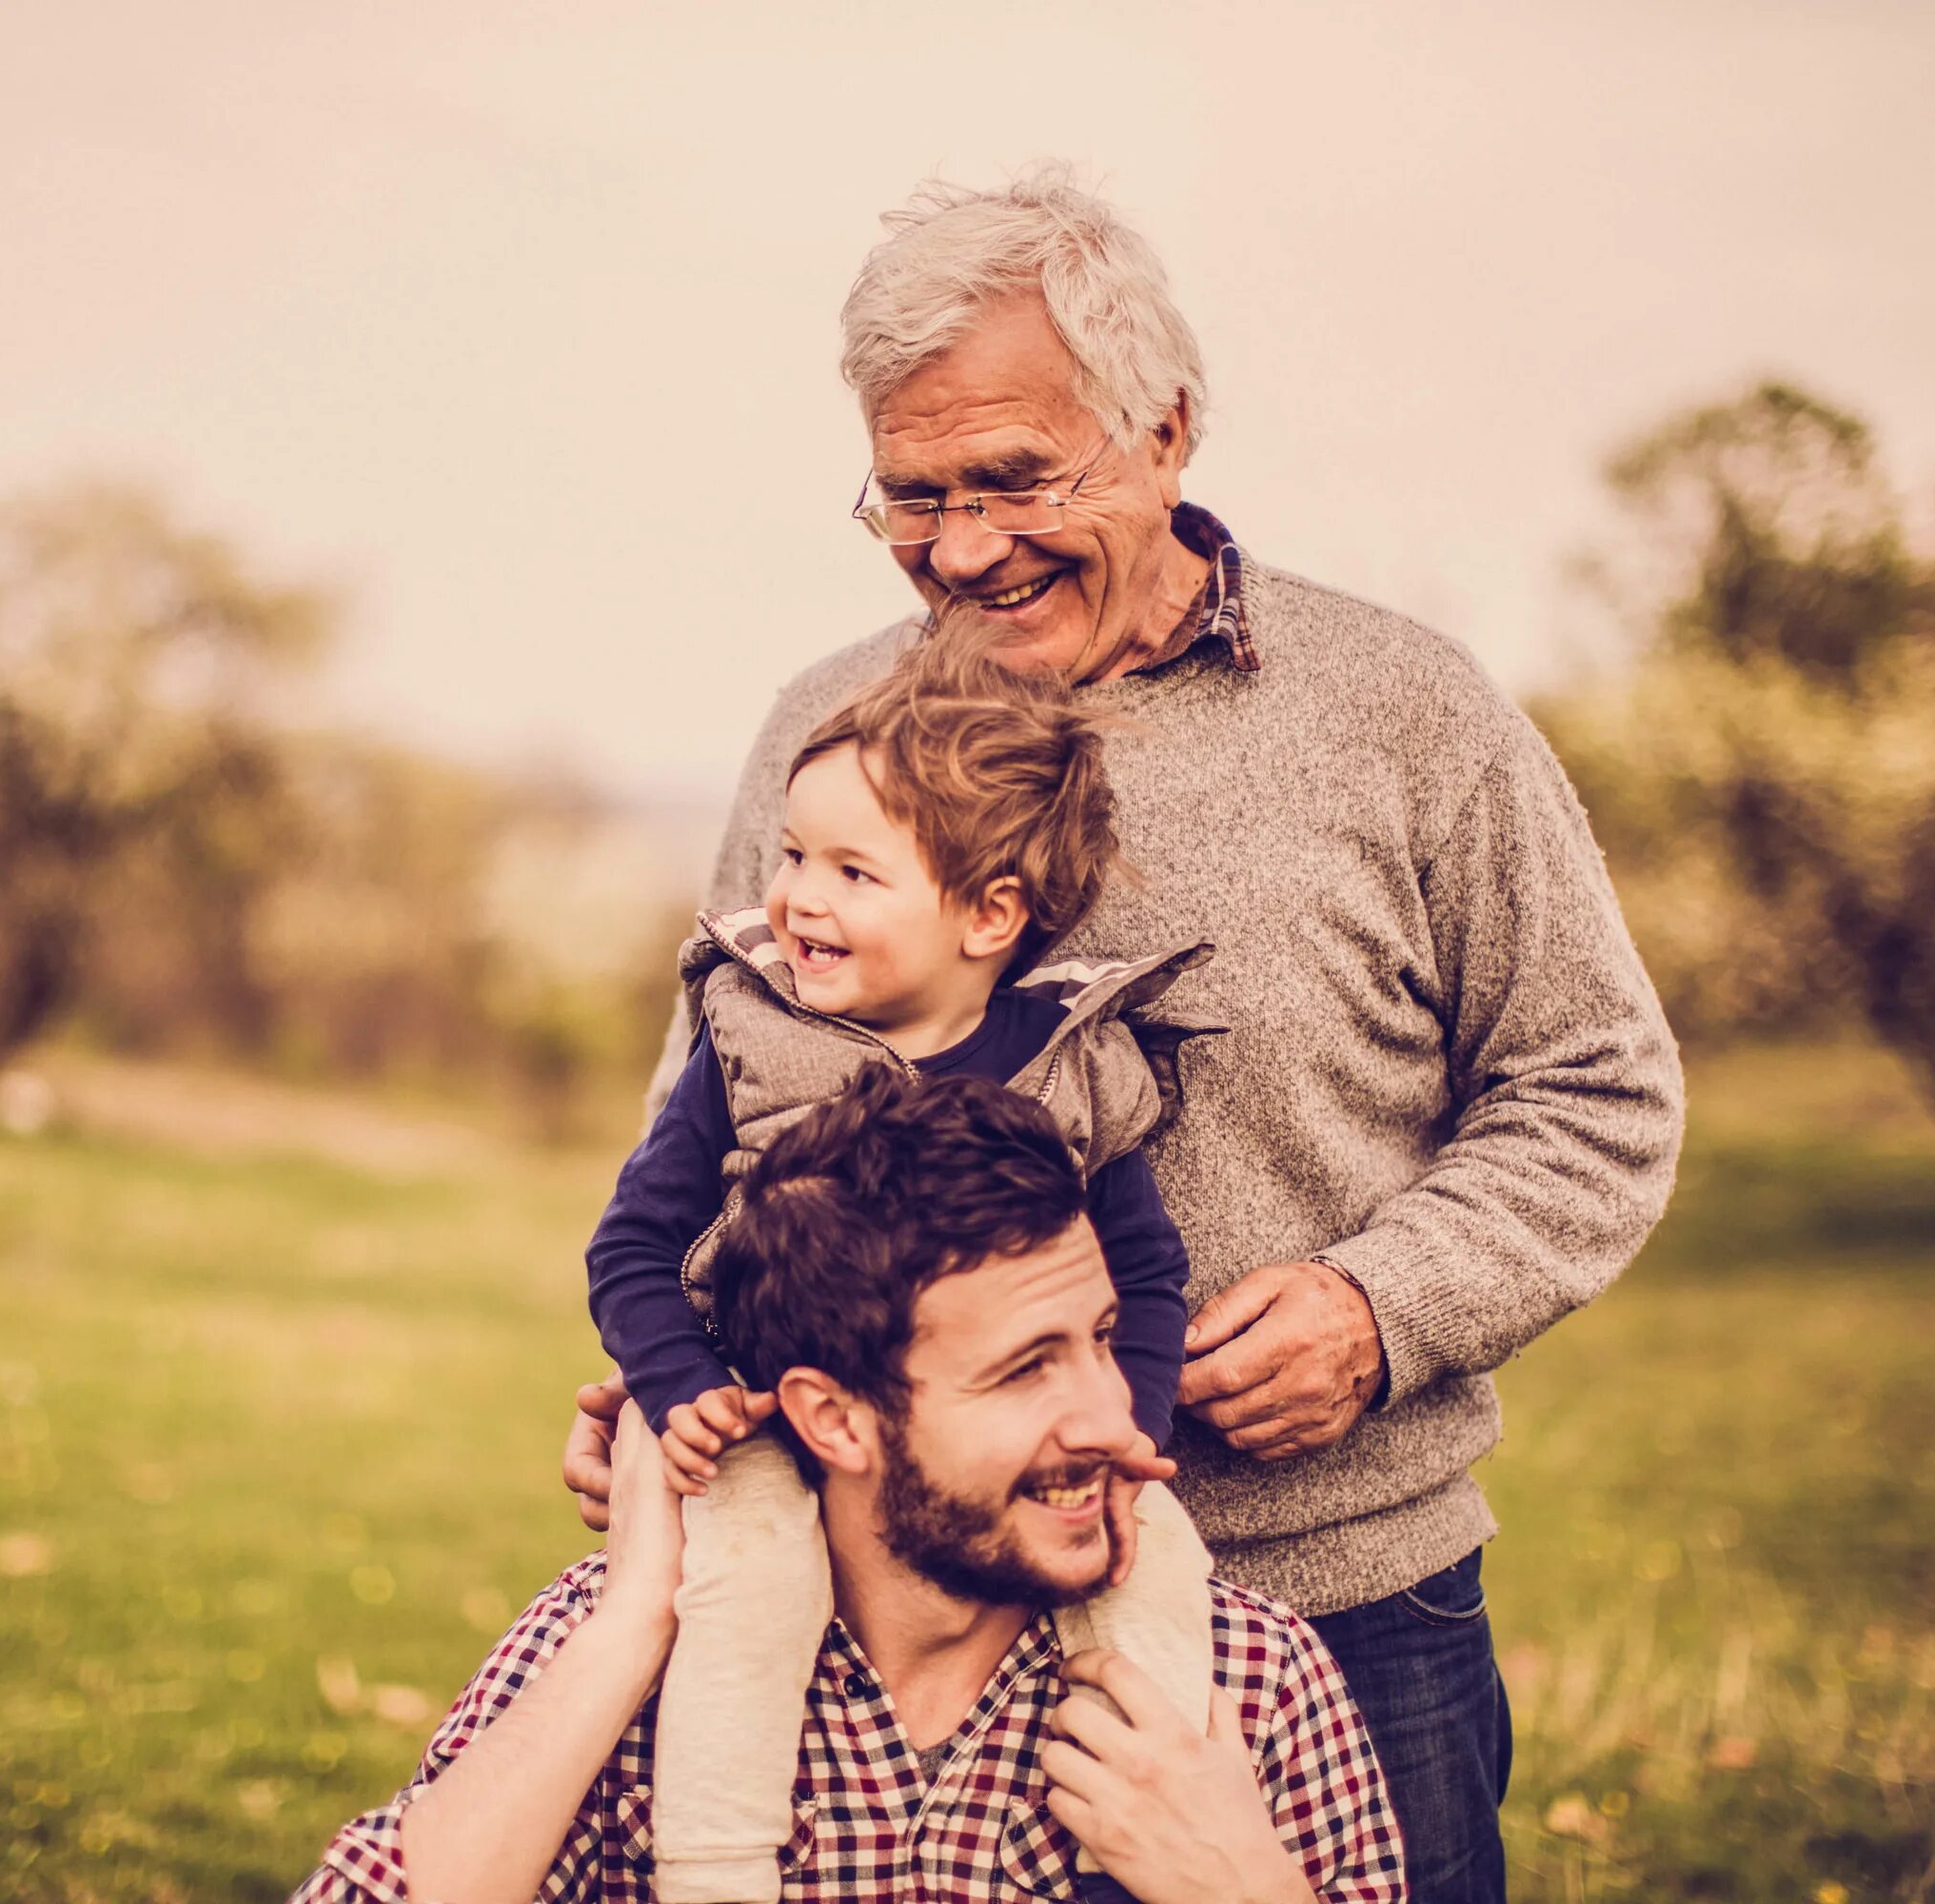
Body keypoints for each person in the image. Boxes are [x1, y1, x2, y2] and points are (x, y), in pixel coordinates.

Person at [564, 167, 1686, 1902]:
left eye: (1015, 478)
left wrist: (1382, 1313)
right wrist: (679, 1374)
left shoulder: (1404, 714)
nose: (960, 547)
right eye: (911, 495)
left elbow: (1595, 1090)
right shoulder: (827, 729)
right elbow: (719, 1127)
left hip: (1332, 1598)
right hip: (887, 1630)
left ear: (1166, 431)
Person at [290, 1071, 1405, 1904]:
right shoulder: (626, 1649)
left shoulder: (1248, 1684)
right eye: (1025, 1368)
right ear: (834, 1416)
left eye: (1103, 1338)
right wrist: (634, 1614)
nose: (1117, 1421)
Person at [584, 643, 1214, 1902]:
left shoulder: (1071, 1061)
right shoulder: (751, 1038)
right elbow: (632, 1243)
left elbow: (1145, 1274)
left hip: (999, 1454)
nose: (798, 898)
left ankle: (1139, 1848)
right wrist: (677, 1384)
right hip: (766, 1421)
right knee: (749, 1584)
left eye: (853, 872)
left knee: (1164, 1576)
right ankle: (715, 1871)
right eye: (794, 855)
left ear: (990, 913)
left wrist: (1123, 1432)